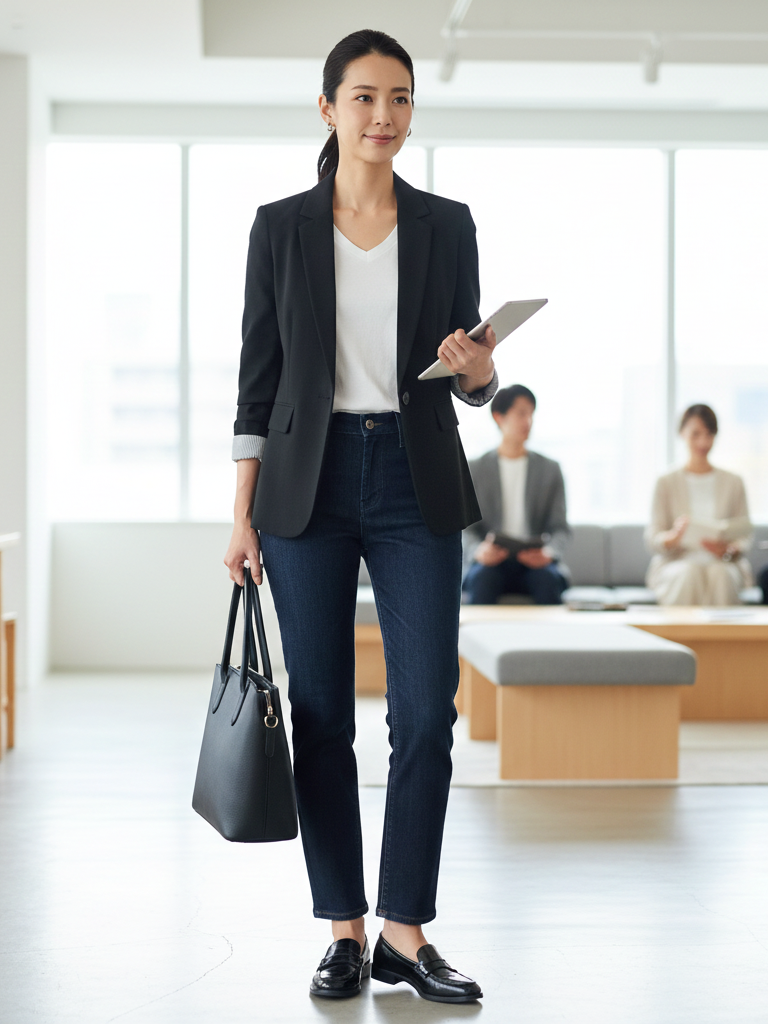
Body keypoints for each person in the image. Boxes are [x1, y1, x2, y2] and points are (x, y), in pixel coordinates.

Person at [224, 30, 495, 1003]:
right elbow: (257, 385)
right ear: (330, 108)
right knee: (323, 714)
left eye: (400, 98)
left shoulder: (448, 224)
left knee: (426, 714)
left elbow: (469, 377)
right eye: (366, 96)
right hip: (309, 484)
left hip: (415, 477)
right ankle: (342, 925)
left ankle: (404, 932)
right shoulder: (281, 228)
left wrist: (483, 371)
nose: (385, 115)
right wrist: (241, 515)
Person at [462, 384, 570, 605]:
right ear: (499, 417)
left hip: (535, 562)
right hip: (492, 561)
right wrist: (479, 550)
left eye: (531, 414)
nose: (528, 422)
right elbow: (466, 529)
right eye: (521, 413)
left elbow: (560, 528)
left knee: (547, 581)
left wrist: (548, 553)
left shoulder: (550, 469)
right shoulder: (476, 469)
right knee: (482, 580)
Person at [646, 404, 753, 605]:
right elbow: (653, 537)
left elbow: (744, 534)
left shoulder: (733, 482)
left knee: (721, 574)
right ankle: (679, 635)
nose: (703, 441)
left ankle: (723, 636)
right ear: (682, 433)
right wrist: (673, 537)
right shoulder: (666, 482)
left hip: (722, 562)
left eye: (709, 434)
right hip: (678, 562)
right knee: (689, 572)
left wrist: (730, 549)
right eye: (696, 434)